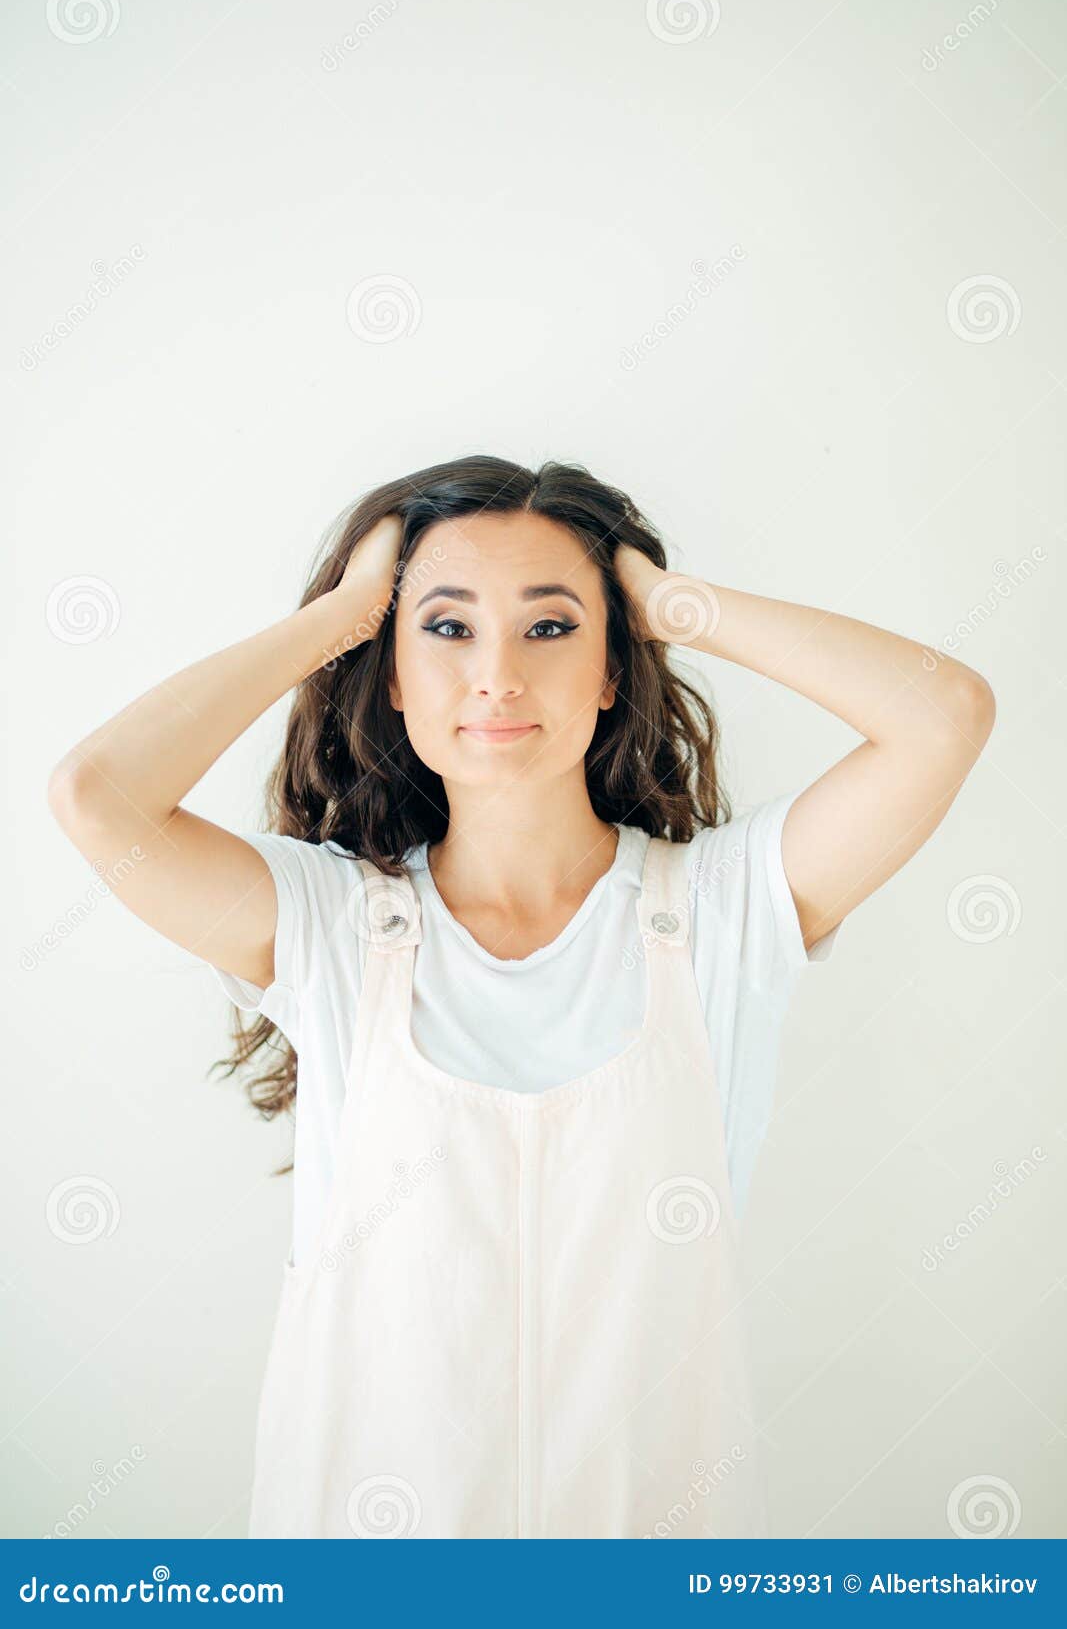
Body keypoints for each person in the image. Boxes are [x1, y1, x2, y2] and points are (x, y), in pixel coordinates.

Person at [47, 455, 996, 1538]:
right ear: (389, 671)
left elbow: (945, 715)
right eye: (445, 628)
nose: (496, 674)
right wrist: (343, 615)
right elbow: (95, 793)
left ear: (610, 667)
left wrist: (667, 601)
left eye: (549, 627)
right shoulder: (330, 928)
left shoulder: (722, 913)